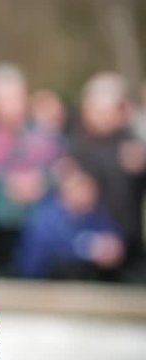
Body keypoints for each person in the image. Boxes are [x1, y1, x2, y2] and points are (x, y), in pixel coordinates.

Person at [0, 64, 63, 274]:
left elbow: (60, 168)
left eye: (16, 98)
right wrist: (7, 182)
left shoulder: (43, 134)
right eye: (5, 99)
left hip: (34, 229)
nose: (12, 106)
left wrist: (40, 181)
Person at [72, 73, 146, 270]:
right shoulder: (75, 145)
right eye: (97, 111)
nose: (101, 118)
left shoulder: (133, 145)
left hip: (129, 245)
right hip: (86, 246)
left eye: (107, 111)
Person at [15, 158, 125, 279]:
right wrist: (88, 249)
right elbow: (41, 256)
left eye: (92, 191)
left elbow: (113, 237)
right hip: (44, 282)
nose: (89, 195)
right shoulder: (45, 216)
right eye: (84, 190)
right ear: (67, 191)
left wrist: (112, 247)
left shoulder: (94, 214)